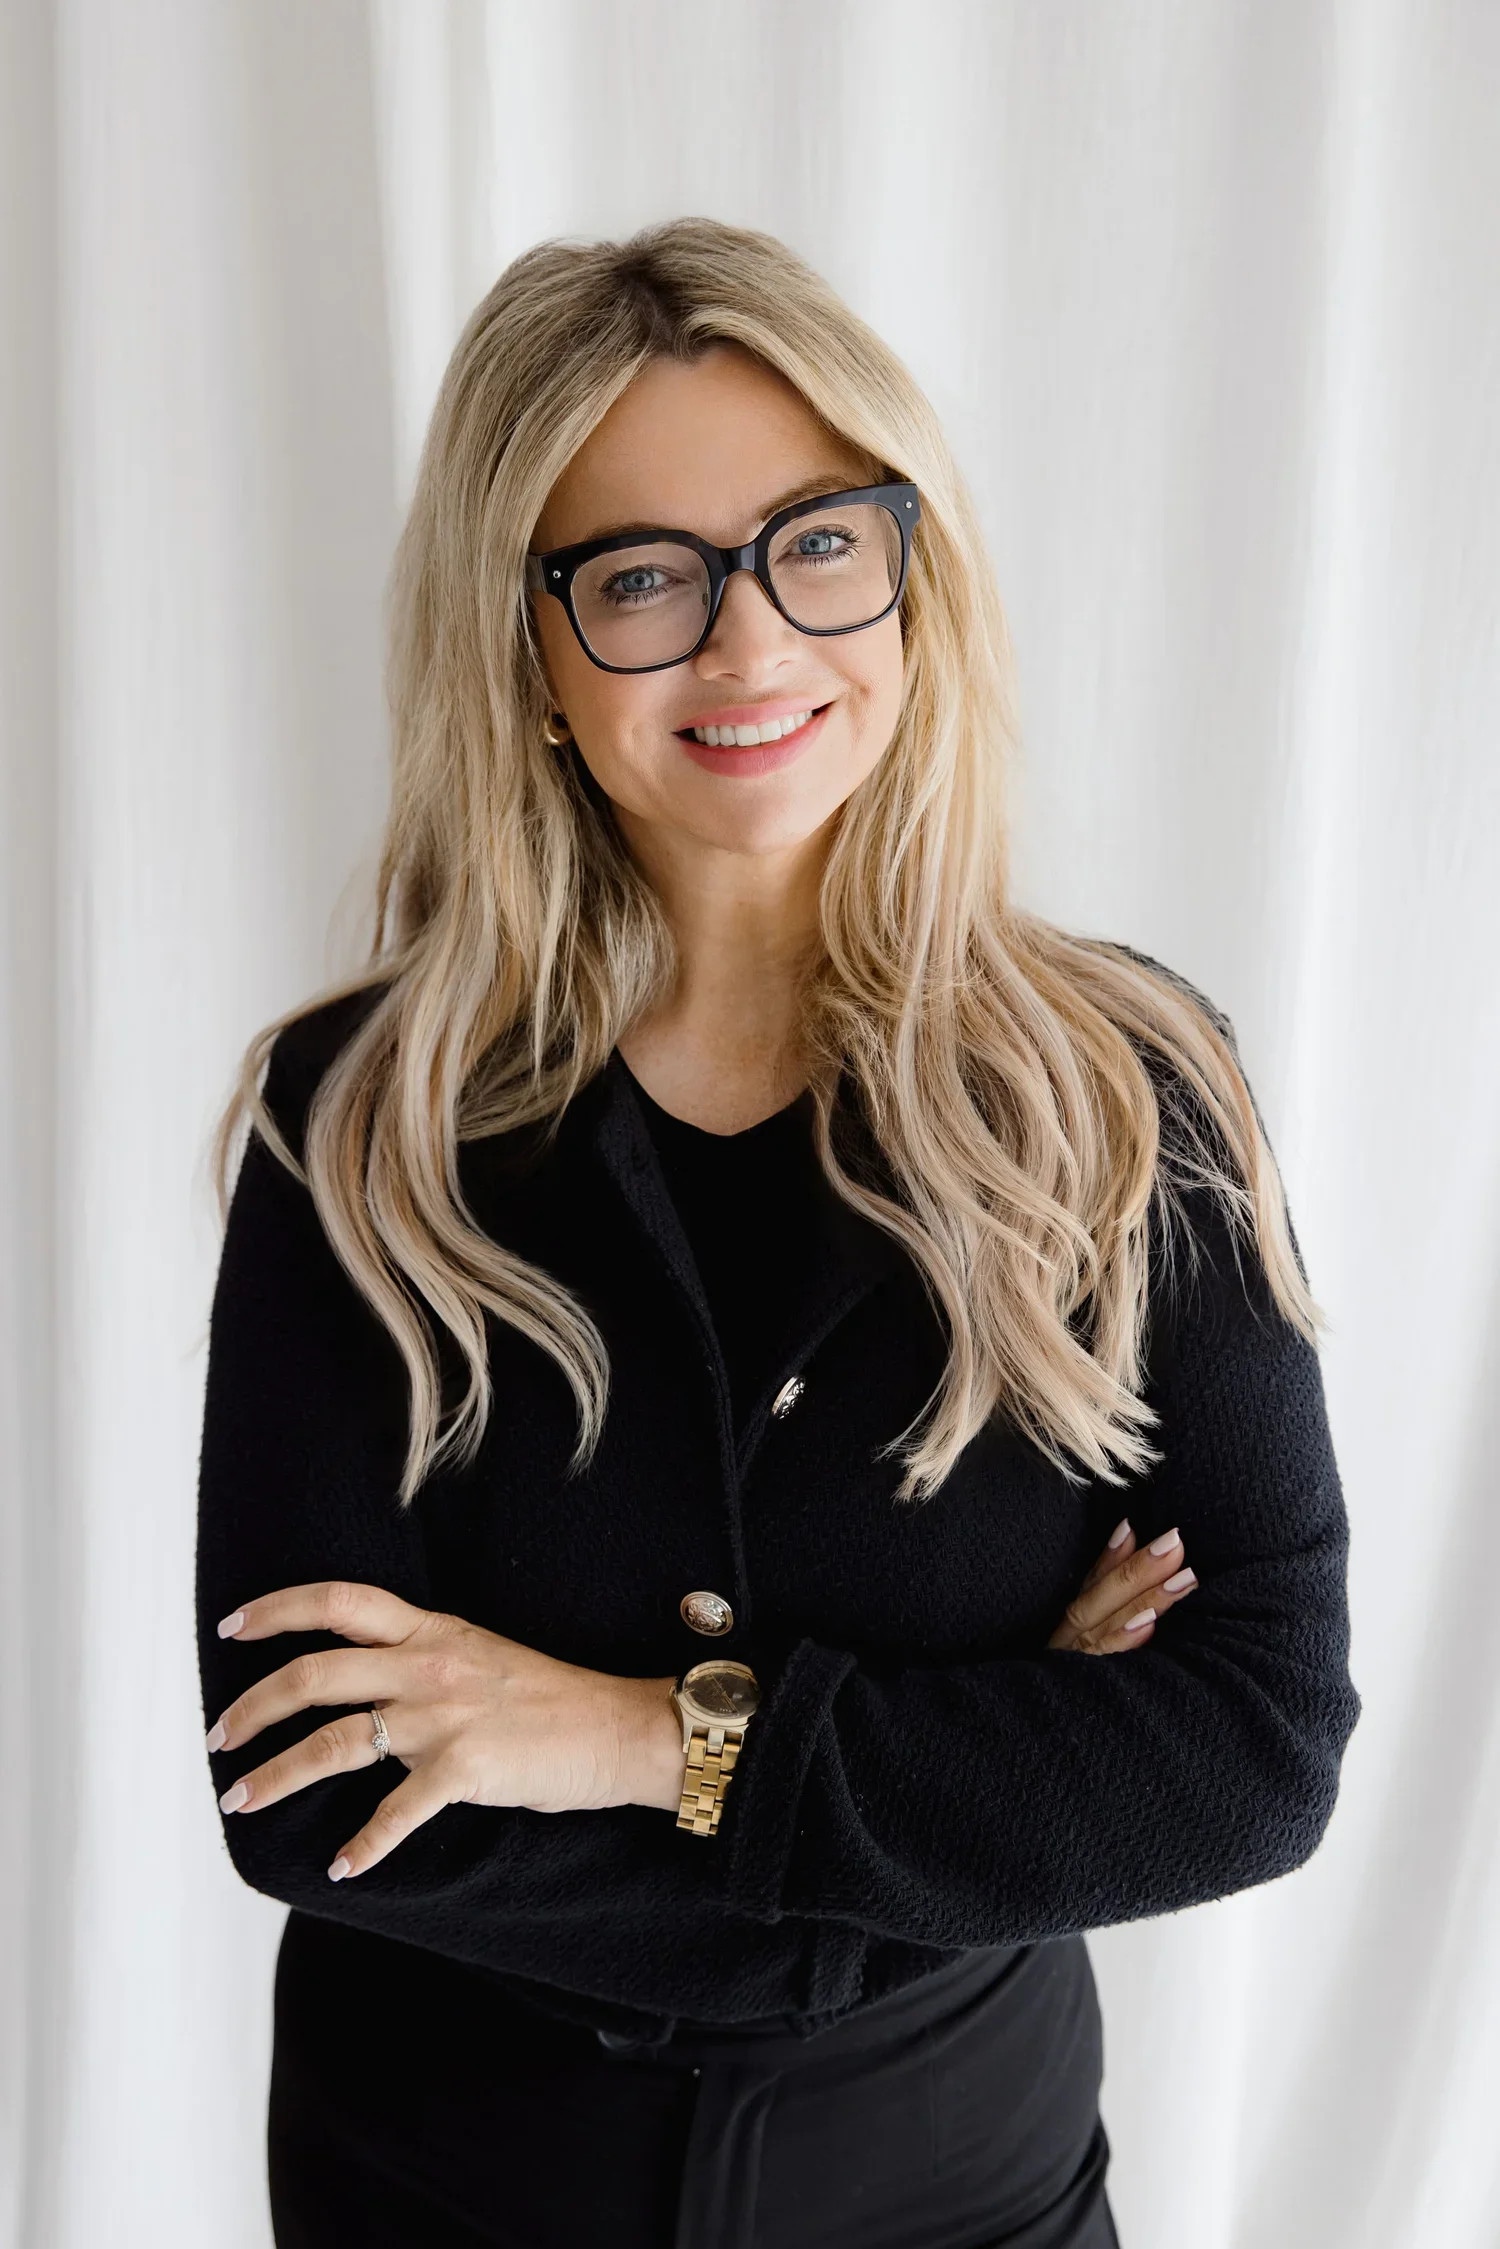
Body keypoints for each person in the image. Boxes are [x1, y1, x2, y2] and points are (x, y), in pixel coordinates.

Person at [195, 218, 1360, 2248]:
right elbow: (313, 1796)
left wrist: (639, 1741)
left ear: (915, 577)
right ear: (528, 650)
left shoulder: (1128, 1094)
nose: (750, 645)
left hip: (964, 2197)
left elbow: (1250, 1744)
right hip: (437, 2195)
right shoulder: (357, 1123)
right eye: (642, 576)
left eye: (818, 542)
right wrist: (976, 1753)